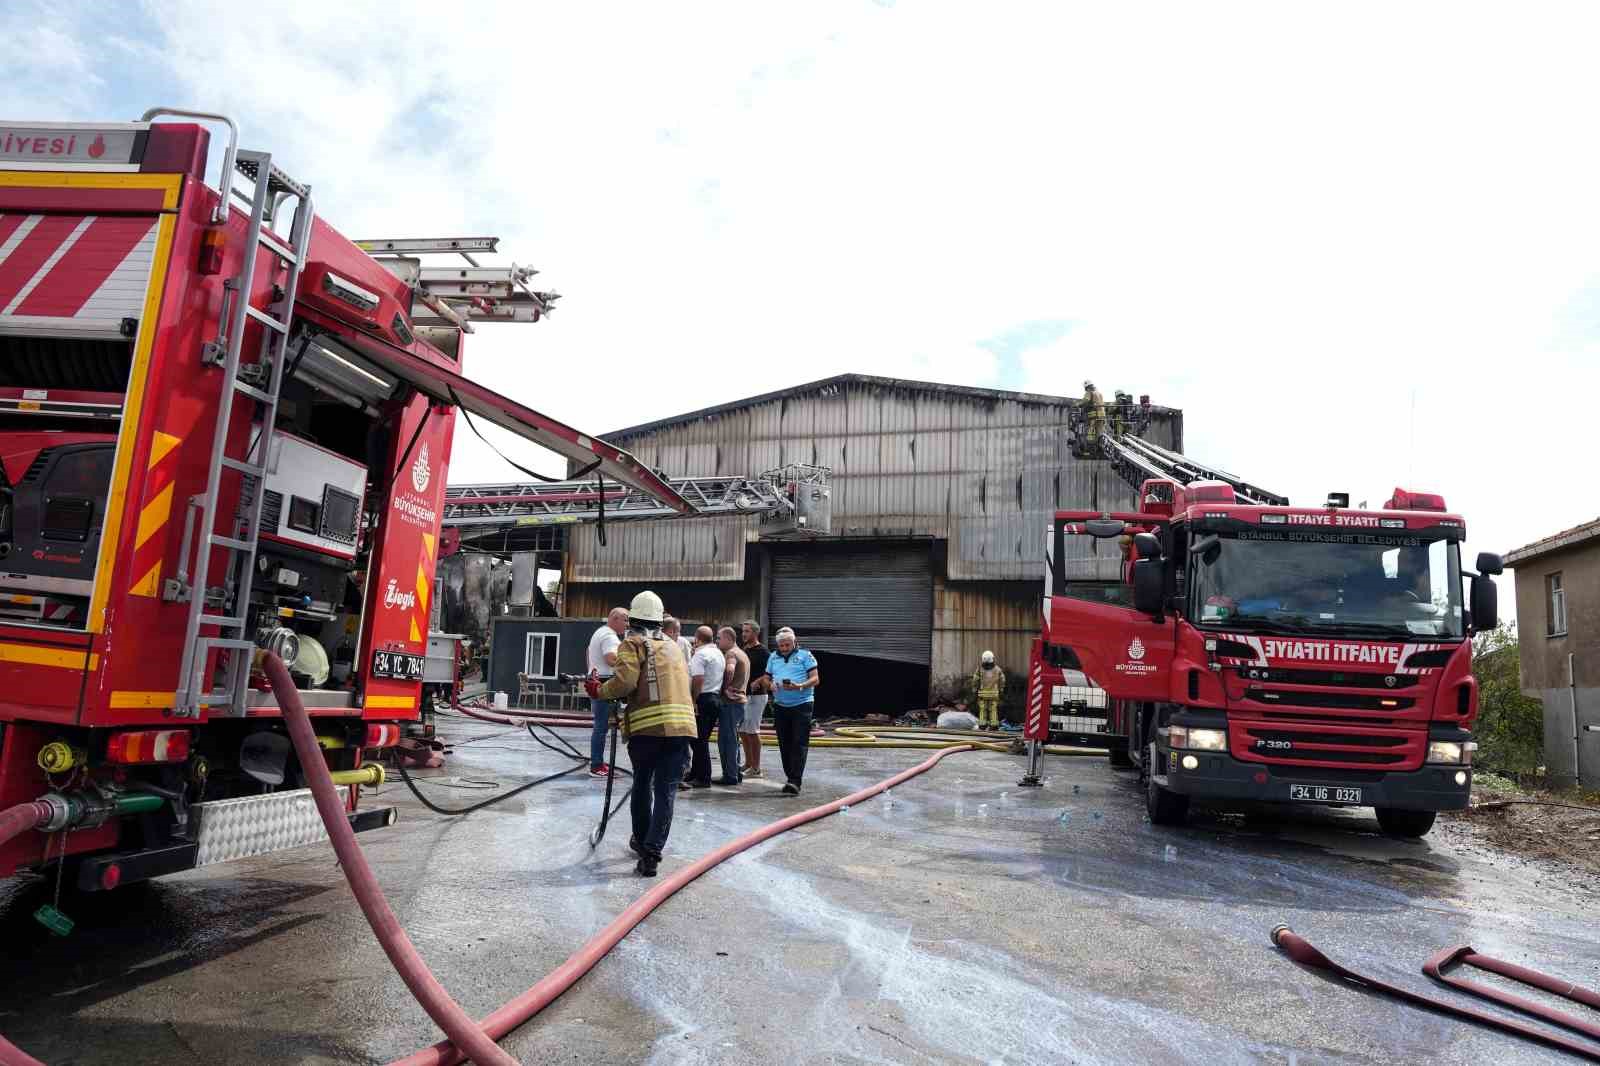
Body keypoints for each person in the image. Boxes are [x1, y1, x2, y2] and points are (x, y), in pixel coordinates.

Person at [587, 591, 694, 877]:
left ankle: (641, 841)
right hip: (682, 729)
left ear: (632, 619)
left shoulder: (632, 644)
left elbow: (624, 684)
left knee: (643, 784)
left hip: (647, 731)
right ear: (660, 620)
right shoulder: (675, 646)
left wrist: (600, 690)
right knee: (666, 792)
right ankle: (652, 854)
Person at [766, 626, 819, 796]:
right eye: (781, 646)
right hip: (781, 705)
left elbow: (816, 678)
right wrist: (770, 685)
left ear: (794, 642)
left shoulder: (805, 655)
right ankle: (790, 776)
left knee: (799, 742)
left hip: (802, 704)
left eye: (787, 645)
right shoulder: (773, 657)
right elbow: (766, 678)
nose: (784, 649)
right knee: (784, 742)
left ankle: (795, 781)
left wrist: (800, 686)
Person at [584, 606, 628, 778]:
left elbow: (587, 654)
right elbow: (611, 659)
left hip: (597, 681)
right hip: (604, 684)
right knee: (601, 727)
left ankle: (597, 763)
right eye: (625, 620)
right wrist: (630, 666)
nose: (627, 624)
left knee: (600, 726)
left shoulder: (600, 632)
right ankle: (596, 766)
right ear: (614, 618)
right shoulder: (609, 636)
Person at [683, 625, 726, 789]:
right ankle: (695, 773)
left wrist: (693, 700)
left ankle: (703, 777)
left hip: (703, 698)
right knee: (701, 739)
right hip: (714, 697)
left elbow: (698, 679)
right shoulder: (718, 653)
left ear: (697, 639)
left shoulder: (700, 655)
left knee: (698, 741)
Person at [714, 626, 750, 786]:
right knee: (733, 739)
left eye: (719, 638)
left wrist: (724, 688)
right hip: (740, 703)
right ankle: (735, 772)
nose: (717, 641)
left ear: (728, 639)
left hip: (731, 703)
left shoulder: (732, 653)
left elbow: (729, 669)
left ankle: (729, 775)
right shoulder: (743, 653)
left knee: (726, 740)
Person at [738, 621, 771, 778]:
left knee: (752, 731)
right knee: (743, 731)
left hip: (757, 696)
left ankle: (757, 768)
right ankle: (748, 763)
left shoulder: (763, 652)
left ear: (755, 633)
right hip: (745, 695)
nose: (744, 634)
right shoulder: (745, 649)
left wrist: (757, 681)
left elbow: (770, 673)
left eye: (747, 631)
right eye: (743, 631)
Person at [970, 650, 1005, 731]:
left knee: (983, 709)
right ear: (993, 659)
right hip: (994, 694)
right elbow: (1002, 680)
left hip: (983, 694)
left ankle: (982, 725)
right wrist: (1001, 689)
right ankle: (994, 725)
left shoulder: (980, 669)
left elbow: (975, 680)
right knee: (993, 709)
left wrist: (974, 689)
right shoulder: (997, 669)